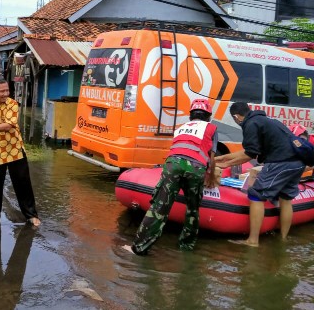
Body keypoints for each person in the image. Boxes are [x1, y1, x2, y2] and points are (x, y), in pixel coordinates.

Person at [123, 99, 218, 255]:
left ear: (191, 115)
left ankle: (138, 248)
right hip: (195, 169)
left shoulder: (181, 128)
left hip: (172, 165)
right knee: (193, 209)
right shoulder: (212, 128)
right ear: (208, 116)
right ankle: (186, 247)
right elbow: (211, 157)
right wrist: (211, 176)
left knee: (159, 207)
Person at [215, 102, 306, 247]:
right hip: (298, 163)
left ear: (236, 116)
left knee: (256, 195)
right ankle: (283, 238)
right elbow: (248, 151)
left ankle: (253, 240)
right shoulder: (267, 121)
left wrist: (225, 164)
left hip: (280, 162)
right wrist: (222, 158)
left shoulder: (250, 124)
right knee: (285, 198)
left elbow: (249, 154)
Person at [0, 78, 41, 227]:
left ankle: (31, 215)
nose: (6, 93)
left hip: (14, 150)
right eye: (2, 91)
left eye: (7, 90)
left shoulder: (12, 104)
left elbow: (8, 126)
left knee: (22, 184)